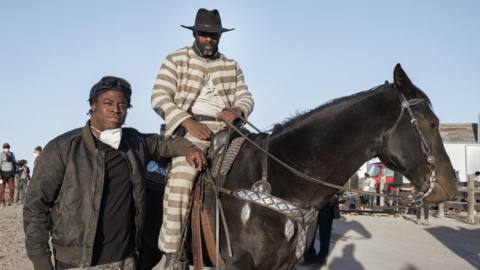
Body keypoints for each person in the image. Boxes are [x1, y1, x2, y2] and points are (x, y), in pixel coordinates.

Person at [23, 76, 206, 270]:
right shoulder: (62, 148)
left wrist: (188, 149)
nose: (116, 109)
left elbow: (164, 144)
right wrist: (41, 260)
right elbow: (35, 206)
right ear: (93, 106)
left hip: (126, 261)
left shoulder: (134, 142)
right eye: (108, 103)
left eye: (123, 105)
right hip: (76, 263)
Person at [150, 8, 254, 267]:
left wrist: (237, 109)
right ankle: (173, 254)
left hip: (229, 132)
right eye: (205, 34)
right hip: (189, 132)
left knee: (259, 167)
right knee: (183, 179)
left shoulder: (231, 66)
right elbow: (159, 97)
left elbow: (246, 96)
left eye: (214, 35)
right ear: (195, 33)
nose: (210, 39)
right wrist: (188, 122)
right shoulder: (175, 60)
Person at [303, 194, 340, 266]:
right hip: (312, 202)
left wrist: (336, 194)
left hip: (326, 203)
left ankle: (321, 258)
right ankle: (309, 257)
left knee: (325, 234)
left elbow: (342, 184)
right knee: (309, 233)